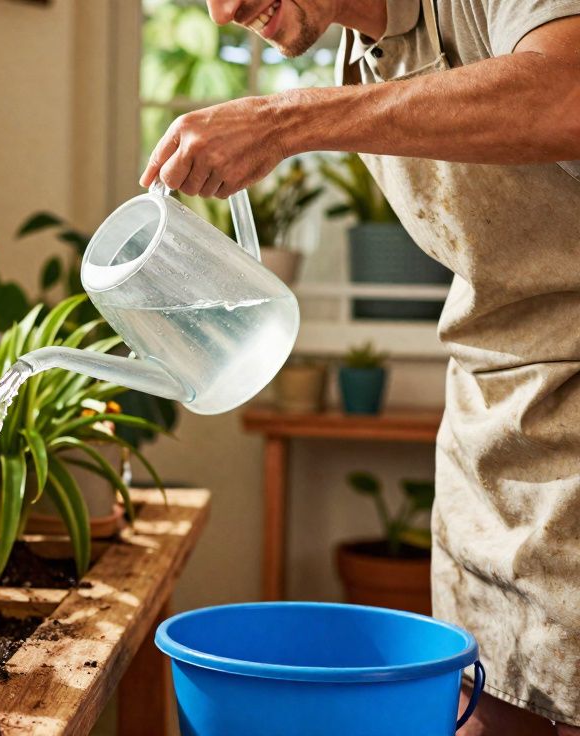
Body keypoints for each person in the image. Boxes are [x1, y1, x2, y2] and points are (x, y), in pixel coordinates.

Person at [141, 0, 580, 733]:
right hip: (491, 403)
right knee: (485, 702)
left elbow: (566, 90)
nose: (224, 12)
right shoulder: (361, 59)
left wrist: (288, 121)